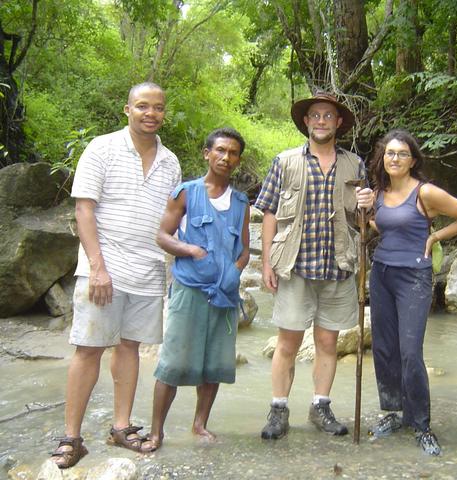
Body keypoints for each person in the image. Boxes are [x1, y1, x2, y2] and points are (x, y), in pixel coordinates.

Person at [51, 82, 181, 468]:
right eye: (143, 106)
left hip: (148, 270)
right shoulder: (102, 148)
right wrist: (97, 267)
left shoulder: (170, 161)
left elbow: (170, 220)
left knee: (130, 347)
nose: (150, 113)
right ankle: (71, 438)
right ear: (127, 110)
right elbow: (84, 211)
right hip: (104, 269)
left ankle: (121, 427)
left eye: (158, 107)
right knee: (88, 348)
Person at [254, 91, 374, 439]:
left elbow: (364, 218)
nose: (321, 120)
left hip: (338, 265)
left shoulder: (355, 165)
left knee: (327, 342)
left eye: (328, 115)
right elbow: (270, 213)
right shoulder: (285, 161)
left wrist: (367, 202)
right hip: (294, 265)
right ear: (306, 122)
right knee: (287, 343)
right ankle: (278, 409)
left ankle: (320, 405)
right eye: (315, 115)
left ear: (338, 123)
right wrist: (266, 265)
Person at [366, 129, 457, 456]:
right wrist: (364, 212)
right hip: (382, 273)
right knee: (385, 348)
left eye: (402, 153)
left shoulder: (424, 192)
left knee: (410, 351)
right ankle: (396, 413)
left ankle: (422, 425)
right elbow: (379, 227)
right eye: (390, 153)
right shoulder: (379, 193)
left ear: (413, 160)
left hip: (414, 276)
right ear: (382, 158)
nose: (395, 158)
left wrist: (434, 237)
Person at [148, 127, 250, 449]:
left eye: (233, 153)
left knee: (215, 364)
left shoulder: (242, 201)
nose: (226, 157)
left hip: (225, 295)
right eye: (220, 150)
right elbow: (163, 236)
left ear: (237, 160)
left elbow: (245, 249)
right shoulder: (186, 192)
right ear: (207, 154)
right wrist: (190, 250)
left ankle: (200, 424)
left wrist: (235, 271)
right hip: (189, 289)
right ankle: (156, 433)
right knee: (172, 362)